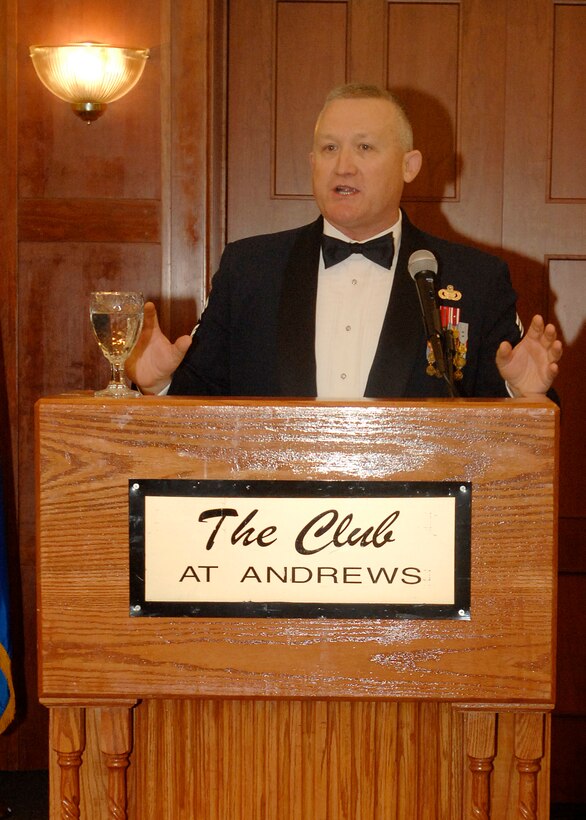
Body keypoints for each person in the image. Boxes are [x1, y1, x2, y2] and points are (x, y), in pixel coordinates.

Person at [126, 84, 562, 400]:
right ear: (312, 162)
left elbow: (513, 426)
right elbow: (200, 398)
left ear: (409, 165)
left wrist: (521, 394)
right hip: (273, 503)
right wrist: (159, 383)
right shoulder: (249, 269)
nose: (343, 167)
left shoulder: (475, 279)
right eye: (329, 149)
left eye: (365, 148)